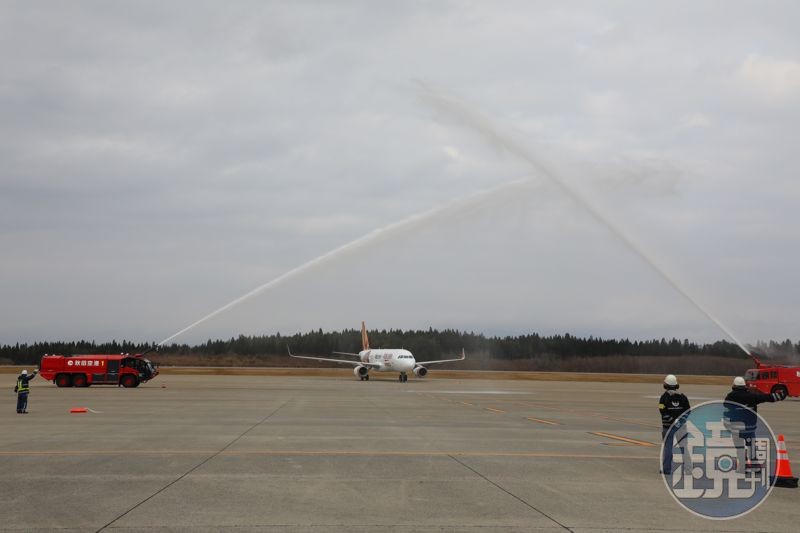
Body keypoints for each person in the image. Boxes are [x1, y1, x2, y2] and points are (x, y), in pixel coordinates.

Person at [724, 376, 786, 466]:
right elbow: (767, 397)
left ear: (734, 385)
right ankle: (755, 465)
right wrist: (779, 395)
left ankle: (743, 464)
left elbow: (725, 406)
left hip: (736, 427)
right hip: (750, 427)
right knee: (751, 446)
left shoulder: (730, 397)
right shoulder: (752, 396)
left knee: (739, 446)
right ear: (744, 386)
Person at [659, 374, 690, 474]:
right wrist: (680, 421)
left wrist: (672, 421)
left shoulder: (663, 398)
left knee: (668, 448)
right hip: (681, 427)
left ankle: (667, 469)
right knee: (684, 447)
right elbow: (688, 411)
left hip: (668, 427)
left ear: (666, 384)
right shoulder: (683, 397)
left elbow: (662, 411)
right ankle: (689, 469)